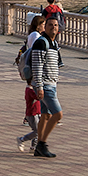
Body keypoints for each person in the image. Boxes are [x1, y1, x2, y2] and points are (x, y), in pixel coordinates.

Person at [28, 13, 64, 158]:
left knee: (46, 115)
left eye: (55, 25)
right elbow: (37, 66)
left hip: (52, 84)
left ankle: (39, 147)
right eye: (50, 25)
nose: (53, 28)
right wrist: (39, 87)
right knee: (58, 114)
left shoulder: (54, 44)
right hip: (45, 85)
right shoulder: (41, 43)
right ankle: (42, 143)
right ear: (45, 27)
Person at [15, 13, 45, 152]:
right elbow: (35, 53)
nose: (44, 27)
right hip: (33, 68)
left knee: (38, 127)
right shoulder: (35, 36)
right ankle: (23, 139)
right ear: (38, 25)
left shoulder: (33, 35)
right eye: (43, 25)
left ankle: (34, 145)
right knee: (38, 129)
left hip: (34, 110)